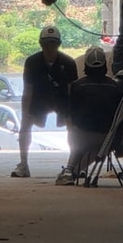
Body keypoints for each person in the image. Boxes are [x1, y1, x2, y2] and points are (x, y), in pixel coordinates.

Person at [11, 25, 78, 178]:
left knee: (73, 128)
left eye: (53, 44)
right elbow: (27, 91)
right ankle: (23, 164)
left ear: (58, 45)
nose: (49, 47)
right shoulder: (32, 62)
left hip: (61, 98)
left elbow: (71, 91)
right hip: (40, 98)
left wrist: (72, 114)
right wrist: (25, 114)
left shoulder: (68, 63)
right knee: (25, 126)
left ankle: (72, 165)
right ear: (41, 44)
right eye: (46, 44)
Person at [55, 45, 123, 185]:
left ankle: (69, 170)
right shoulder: (116, 87)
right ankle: (74, 171)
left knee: (75, 130)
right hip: (108, 141)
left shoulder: (76, 86)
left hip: (82, 138)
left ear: (86, 65)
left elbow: (71, 115)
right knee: (93, 140)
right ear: (105, 65)